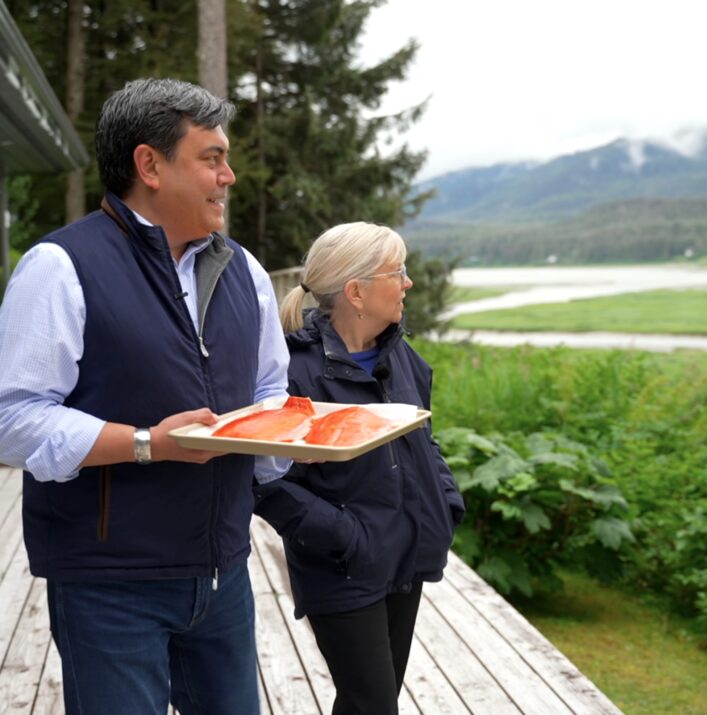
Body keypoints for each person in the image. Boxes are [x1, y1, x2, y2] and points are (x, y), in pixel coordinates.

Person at [0, 78, 291, 714]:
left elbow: (271, 389)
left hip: (223, 575)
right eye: (211, 158)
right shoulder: (59, 266)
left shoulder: (247, 271)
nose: (229, 176)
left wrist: (293, 440)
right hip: (109, 585)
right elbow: (12, 418)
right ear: (149, 165)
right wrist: (146, 445)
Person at [254, 222, 465, 715]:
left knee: (370, 702)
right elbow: (267, 480)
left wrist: (446, 503)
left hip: (407, 555)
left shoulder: (404, 358)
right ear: (357, 292)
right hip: (343, 567)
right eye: (399, 272)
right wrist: (348, 536)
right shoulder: (291, 373)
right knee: (373, 705)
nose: (408, 283)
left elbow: (423, 441)